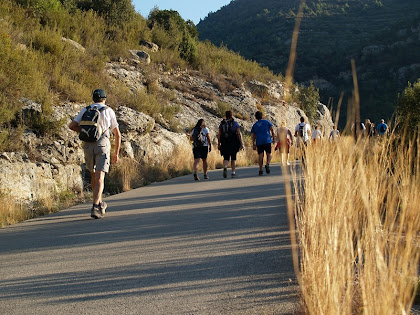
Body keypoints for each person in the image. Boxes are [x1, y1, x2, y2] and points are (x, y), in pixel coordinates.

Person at [69, 89, 121, 219]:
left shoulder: (85, 110)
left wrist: (87, 132)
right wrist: (116, 153)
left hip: (87, 144)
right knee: (100, 176)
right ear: (105, 98)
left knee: (93, 174)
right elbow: (117, 134)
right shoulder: (108, 111)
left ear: (93, 98)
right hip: (102, 144)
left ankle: (98, 201)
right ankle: (95, 206)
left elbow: (72, 125)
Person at [218, 111, 244, 178]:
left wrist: (219, 144)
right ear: (232, 115)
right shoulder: (235, 123)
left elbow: (219, 135)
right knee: (233, 158)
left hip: (224, 143)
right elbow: (238, 134)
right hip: (233, 143)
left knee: (226, 157)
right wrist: (241, 143)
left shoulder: (222, 124)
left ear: (225, 115)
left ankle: (225, 167)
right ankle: (233, 172)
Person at [251, 111, 275, 176]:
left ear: (256, 117)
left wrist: (253, 143)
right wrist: (273, 138)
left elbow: (253, 135)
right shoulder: (266, 122)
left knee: (260, 155)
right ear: (262, 116)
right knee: (269, 153)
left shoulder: (255, 125)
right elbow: (272, 129)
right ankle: (267, 164)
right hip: (267, 140)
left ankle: (260, 170)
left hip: (259, 141)